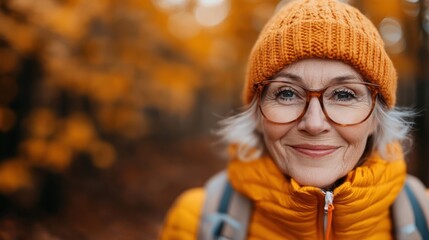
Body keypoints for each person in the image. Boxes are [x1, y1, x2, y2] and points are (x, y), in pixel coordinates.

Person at [159, 0, 429, 239]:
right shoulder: (194, 222)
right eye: (287, 93)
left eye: (344, 95)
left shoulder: (424, 218)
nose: (314, 123)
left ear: (376, 118)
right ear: (257, 113)